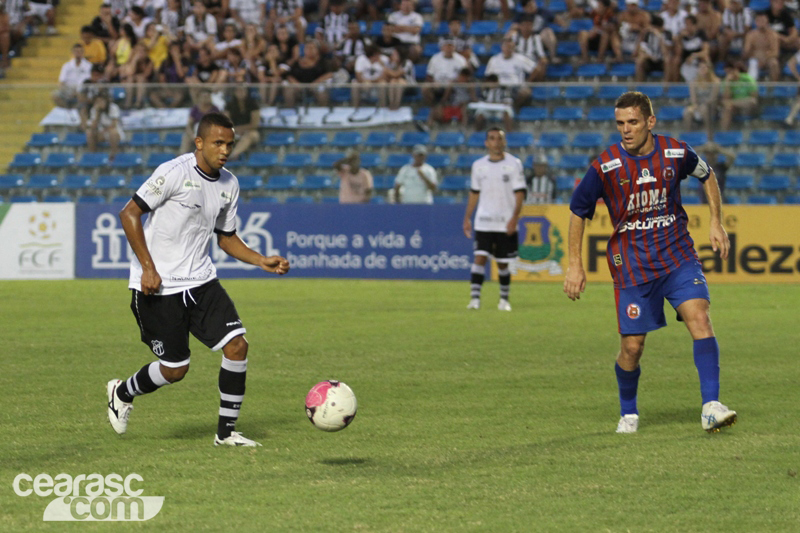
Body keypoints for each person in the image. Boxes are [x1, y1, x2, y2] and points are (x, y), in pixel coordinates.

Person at [107, 112, 290, 447]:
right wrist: (148, 267)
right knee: (176, 369)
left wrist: (260, 259)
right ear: (200, 143)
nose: (225, 150)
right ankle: (122, 392)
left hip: (202, 282)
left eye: (230, 144)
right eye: (218, 143)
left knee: (238, 346)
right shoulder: (173, 173)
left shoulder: (229, 184)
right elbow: (129, 213)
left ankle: (226, 433)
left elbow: (226, 237)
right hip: (158, 287)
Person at [563, 91, 736, 435]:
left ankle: (711, 406)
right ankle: (629, 412)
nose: (626, 130)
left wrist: (716, 221)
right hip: (633, 268)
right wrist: (574, 264)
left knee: (699, 317)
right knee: (632, 347)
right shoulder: (606, 166)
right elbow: (578, 210)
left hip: (677, 257)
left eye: (633, 122)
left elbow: (707, 174)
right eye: (620, 124)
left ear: (650, 122)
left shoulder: (675, 152)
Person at [462, 128, 526, 312]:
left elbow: (520, 193)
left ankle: (504, 300)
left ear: (504, 142)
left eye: (499, 139)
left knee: (502, 262)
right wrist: (467, 217)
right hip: (484, 220)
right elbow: (474, 193)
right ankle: (475, 299)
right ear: (486, 143)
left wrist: (514, 218)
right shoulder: (478, 166)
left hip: (505, 221)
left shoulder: (514, 164)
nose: (496, 142)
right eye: (492, 138)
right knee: (480, 257)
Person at [225, 85, 261, 161]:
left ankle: (234, 155)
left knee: (251, 135)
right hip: (233, 131)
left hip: (250, 131)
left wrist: (241, 129)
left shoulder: (253, 105)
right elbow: (226, 121)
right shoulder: (229, 105)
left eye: (243, 91)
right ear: (235, 92)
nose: (241, 93)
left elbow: (255, 124)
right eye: (238, 91)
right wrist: (235, 130)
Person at [86, 90, 124, 160]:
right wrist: (97, 113)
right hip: (101, 133)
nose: (100, 103)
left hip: (114, 132)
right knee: (89, 132)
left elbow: (114, 124)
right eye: (98, 101)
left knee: (112, 132)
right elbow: (93, 127)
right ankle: (92, 155)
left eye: (102, 101)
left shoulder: (113, 107)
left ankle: (114, 155)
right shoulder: (94, 109)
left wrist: (104, 131)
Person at [719, 60, 757, 130]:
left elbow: (754, 96)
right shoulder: (726, 81)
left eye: (731, 72)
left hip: (747, 107)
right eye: (727, 73)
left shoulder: (747, 79)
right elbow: (726, 98)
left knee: (752, 101)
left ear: (736, 70)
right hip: (734, 108)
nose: (729, 74)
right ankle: (724, 133)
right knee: (727, 109)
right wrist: (728, 84)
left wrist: (731, 102)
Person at [53, 44, 93, 108]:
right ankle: (68, 110)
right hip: (69, 91)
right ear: (73, 53)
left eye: (80, 51)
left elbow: (90, 81)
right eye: (76, 51)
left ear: (83, 53)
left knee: (84, 96)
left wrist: (79, 92)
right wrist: (65, 90)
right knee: (55, 95)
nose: (78, 53)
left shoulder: (89, 66)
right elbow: (61, 82)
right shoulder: (66, 66)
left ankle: (79, 109)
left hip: (83, 91)